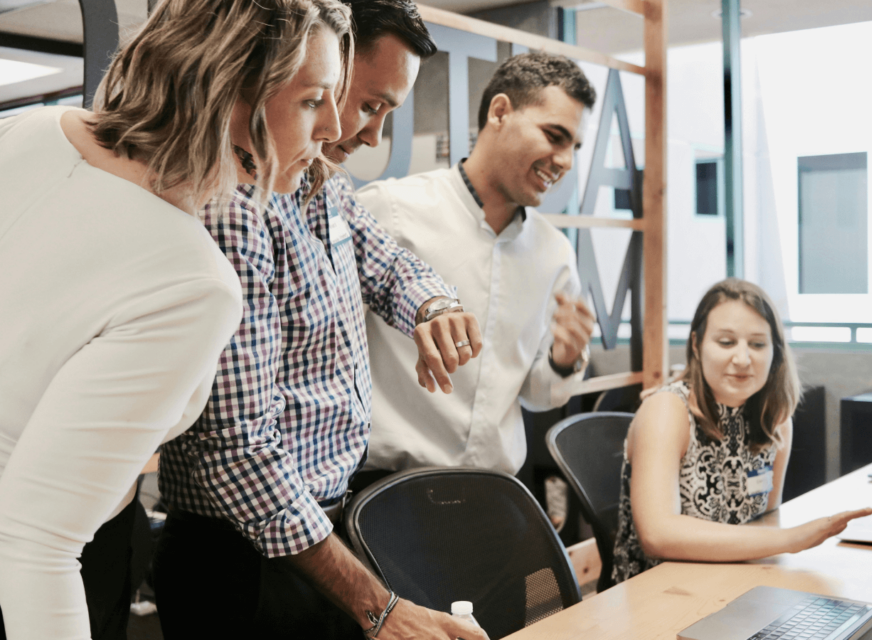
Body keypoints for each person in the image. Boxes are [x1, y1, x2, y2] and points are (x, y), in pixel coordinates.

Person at [0, 0, 354, 635]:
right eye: (311, 100)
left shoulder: (30, 131)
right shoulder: (192, 283)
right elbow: (31, 543)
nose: (333, 127)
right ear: (229, 89)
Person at [153, 1, 487, 639]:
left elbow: (386, 263)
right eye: (366, 103)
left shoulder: (320, 183)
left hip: (315, 531)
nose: (365, 133)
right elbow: (240, 454)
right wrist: (379, 607)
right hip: (242, 560)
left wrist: (434, 306)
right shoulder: (230, 207)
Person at [354, 52, 597, 479]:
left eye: (574, 147)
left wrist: (563, 359)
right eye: (554, 135)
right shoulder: (389, 211)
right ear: (499, 111)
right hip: (385, 487)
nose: (565, 162)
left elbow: (538, 394)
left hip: (495, 492)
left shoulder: (554, 252)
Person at [610, 279, 872, 584]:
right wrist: (792, 540)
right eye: (726, 342)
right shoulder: (667, 410)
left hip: (733, 583)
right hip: (656, 594)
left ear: (775, 352)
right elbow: (657, 534)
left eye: (758, 344)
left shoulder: (775, 420)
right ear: (696, 345)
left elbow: (764, 521)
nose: (743, 359)